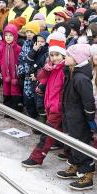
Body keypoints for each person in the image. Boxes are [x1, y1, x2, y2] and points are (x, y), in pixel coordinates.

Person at [56, 43, 97, 190]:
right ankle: (75, 165)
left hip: (79, 118)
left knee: (81, 144)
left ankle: (87, 174)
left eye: (68, 55)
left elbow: (88, 101)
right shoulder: (71, 72)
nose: (65, 57)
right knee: (72, 142)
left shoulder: (81, 78)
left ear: (77, 59)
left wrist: (90, 118)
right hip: (70, 115)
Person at [22, 30, 67, 167]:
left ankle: (36, 158)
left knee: (46, 135)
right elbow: (41, 78)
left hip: (57, 107)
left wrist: (57, 105)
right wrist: (47, 69)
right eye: (52, 55)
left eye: (57, 55)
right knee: (61, 132)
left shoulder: (64, 70)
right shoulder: (51, 68)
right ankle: (70, 155)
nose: (54, 58)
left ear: (63, 55)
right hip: (50, 105)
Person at [0, 24, 22, 111]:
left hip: (15, 76)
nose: (8, 37)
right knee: (6, 91)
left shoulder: (18, 48)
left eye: (10, 35)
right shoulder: (1, 48)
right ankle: (7, 110)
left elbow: (21, 60)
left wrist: (19, 71)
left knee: (15, 91)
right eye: (6, 35)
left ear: (15, 36)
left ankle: (15, 109)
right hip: (5, 75)